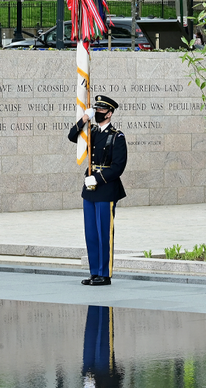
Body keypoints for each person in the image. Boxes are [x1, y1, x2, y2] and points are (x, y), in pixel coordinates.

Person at [67, 95, 128, 286]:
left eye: (101, 111)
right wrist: (84, 119)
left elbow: (118, 167)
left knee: (104, 233)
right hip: (90, 190)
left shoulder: (117, 136)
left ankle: (105, 273)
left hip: (106, 188)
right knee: (91, 233)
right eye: (96, 110)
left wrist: (98, 178)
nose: (98, 113)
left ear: (109, 114)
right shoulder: (91, 131)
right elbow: (71, 136)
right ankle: (94, 271)